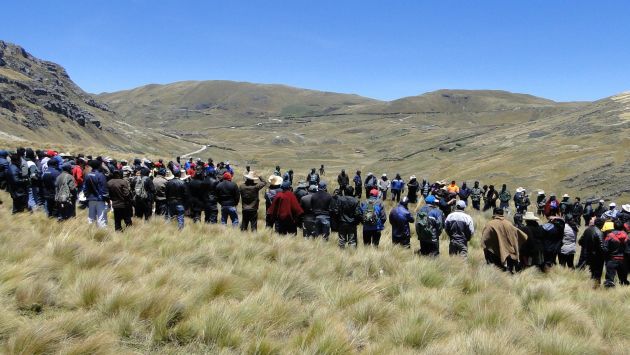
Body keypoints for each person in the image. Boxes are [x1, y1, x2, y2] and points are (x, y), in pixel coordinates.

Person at [481, 208, 528, 273]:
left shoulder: (490, 224)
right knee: (508, 271)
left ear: (494, 213)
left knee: (496, 270)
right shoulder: (509, 223)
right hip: (508, 251)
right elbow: (519, 235)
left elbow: (484, 240)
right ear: (502, 214)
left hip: (494, 252)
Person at [579, 217, 606, 287]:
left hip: (588, 255)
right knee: (597, 273)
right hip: (597, 256)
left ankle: (591, 285)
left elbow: (580, 241)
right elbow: (602, 247)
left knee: (591, 271)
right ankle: (596, 286)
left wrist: (587, 247)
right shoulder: (599, 232)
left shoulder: (587, 229)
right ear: (602, 224)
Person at [602, 220, 628, 287]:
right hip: (623, 260)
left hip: (612, 259)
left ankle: (610, 294)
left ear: (613, 226)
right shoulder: (625, 235)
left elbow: (605, 248)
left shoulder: (610, 235)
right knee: (623, 280)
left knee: (609, 280)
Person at [84, 160, 110, 228]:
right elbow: (104, 189)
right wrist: (107, 199)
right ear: (99, 166)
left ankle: (90, 232)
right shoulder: (101, 175)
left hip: (90, 199)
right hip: (100, 200)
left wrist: (87, 196)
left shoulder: (88, 175)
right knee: (101, 218)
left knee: (91, 218)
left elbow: (85, 188)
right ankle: (102, 234)